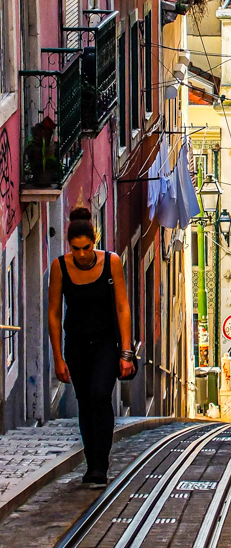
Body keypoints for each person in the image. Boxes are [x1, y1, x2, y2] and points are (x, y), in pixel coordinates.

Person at [48, 208, 134, 487]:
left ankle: (101, 464)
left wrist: (126, 353)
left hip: (107, 344)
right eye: (76, 249)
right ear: (69, 245)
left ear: (94, 242)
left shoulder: (112, 263)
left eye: (86, 248)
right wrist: (58, 358)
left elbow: (122, 307)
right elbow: (53, 313)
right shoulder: (60, 267)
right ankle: (90, 461)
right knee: (85, 404)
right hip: (76, 345)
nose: (82, 254)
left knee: (100, 395)